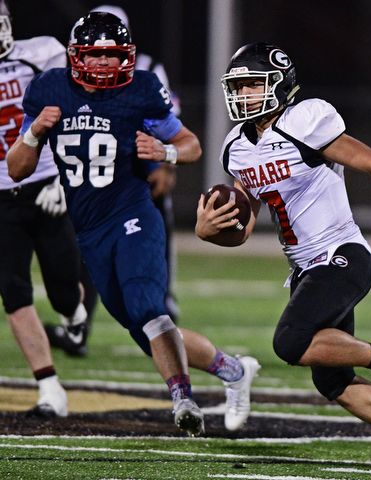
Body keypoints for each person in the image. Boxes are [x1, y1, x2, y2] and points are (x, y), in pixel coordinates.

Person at [195, 42, 371, 471]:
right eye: (238, 87)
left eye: (251, 86)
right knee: (332, 381)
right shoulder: (237, 148)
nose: (243, 96)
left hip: (342, 255)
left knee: (289, 342)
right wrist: (208, 233)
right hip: (304, 269)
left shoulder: (305, 121)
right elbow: (241, 230)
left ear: (280, 86)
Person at [6, 12, 260, 436]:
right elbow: (15, 169)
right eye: (96, 55)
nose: (105, 64)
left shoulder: (140, 89)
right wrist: (33, 133)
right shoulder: (48, 89)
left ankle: (182, 398)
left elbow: (191, 145)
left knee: (147, 306)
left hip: (133, 215)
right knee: (148, 333)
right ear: (76, 56)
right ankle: (234, 370)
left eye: (112, 55)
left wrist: (166, 153)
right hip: (88, 230)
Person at [0, 0, 92, 416]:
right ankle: (49, 387)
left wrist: (64, 177)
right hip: (2, 196)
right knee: (13, 291)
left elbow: (79, 110)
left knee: (62, 289)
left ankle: (74, 315)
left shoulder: (42, 54)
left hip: (46, 184)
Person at [89, 4, 180, 322]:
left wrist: (165, 162)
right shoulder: (72, 70)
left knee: (156, 222)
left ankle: (164, 297)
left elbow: (168, 120)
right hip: (93, 161)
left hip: (139, 159)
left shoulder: (147, 68)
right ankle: (79, 315)